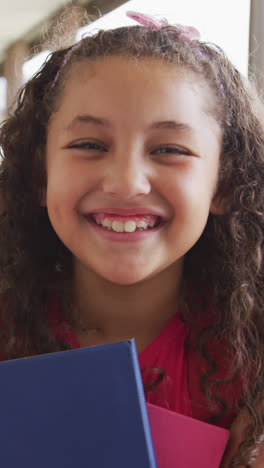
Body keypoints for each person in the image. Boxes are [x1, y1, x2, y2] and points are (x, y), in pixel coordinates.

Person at [0, 9, 264, 466]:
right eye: (89, 145)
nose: (126, 182)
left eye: (169, 150)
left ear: (223, 184)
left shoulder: (253, 358)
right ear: (39, 175)